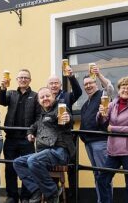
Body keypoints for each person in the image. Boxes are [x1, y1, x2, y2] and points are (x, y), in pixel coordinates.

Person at [13, 87, 75, 203]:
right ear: (38, 101)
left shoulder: (60, 108)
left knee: (32, 160)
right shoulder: (42, 115)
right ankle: (36, 190)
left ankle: (52, 193)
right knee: (18, 163)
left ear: (54, 97)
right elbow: (34, 126)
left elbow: (67, 118)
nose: (45, 99)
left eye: (47, 96)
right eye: (42, 97)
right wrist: (30, 133)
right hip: (45, 153)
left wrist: (67, 119)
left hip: (60, 151)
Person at [0, 69, 41, 203]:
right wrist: (3, 88)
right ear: (16, 80)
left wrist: (32, 132)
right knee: (10, 167)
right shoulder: (11, 93)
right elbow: (1, 101)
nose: (23, 80)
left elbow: (39, 116)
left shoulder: (35, 96)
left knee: (27, 168)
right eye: (21, 77)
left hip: (26, 139)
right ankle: (12, 196)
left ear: (30, 80)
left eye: (26, 78)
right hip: (10, 138)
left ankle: (25, 196)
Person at [97, 76, 128, 203]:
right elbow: (103, 122)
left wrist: (113, 128)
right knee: (102, 180)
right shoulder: (112, 104)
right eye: (123, 88)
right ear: (118, 90)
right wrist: (100, 114)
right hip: (113, 150)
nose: (125, 90)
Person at [47, 66, 82, 202]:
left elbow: (78, 92)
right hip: (51, 139)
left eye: (56, 83)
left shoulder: (67, 95)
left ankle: (72, 199)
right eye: (51, 83)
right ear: (47, 86)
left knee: (72, 169)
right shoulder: (44, 98)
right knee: (51, 167)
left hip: (68, 138)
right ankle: (55, 197)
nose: (54, 85)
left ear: (60, 84)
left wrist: (71, 76)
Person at [80, 65, 114, 203]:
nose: (88, 86)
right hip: (88, 143)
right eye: (86, 84)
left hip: (100, 141)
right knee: (97, 174)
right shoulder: (85, 104)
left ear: (96, 84)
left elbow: (110, 87)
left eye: (90, 83)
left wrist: (99, 75)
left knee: (103, 175)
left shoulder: (103, 95)